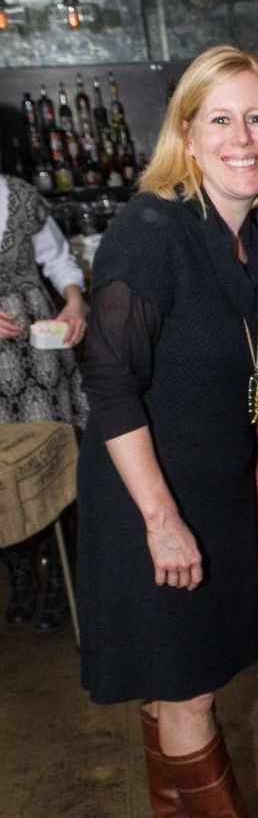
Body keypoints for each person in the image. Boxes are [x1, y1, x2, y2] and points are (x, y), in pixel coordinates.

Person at [77, 45, 258, 818]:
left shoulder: (249, 233)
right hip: (151, 496)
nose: (243, 137)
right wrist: (162, 520)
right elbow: (108, 384)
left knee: (180, 676)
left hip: (211, 486)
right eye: (221, 118)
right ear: (186, 132)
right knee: (192, 691)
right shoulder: (153, 227)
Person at [1, 175, 88, 632]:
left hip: (38, 356)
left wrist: (74, 302)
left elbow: (56, 259)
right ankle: (20, 577)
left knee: (48, 462)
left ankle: (57, 577)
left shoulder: (19, 195)